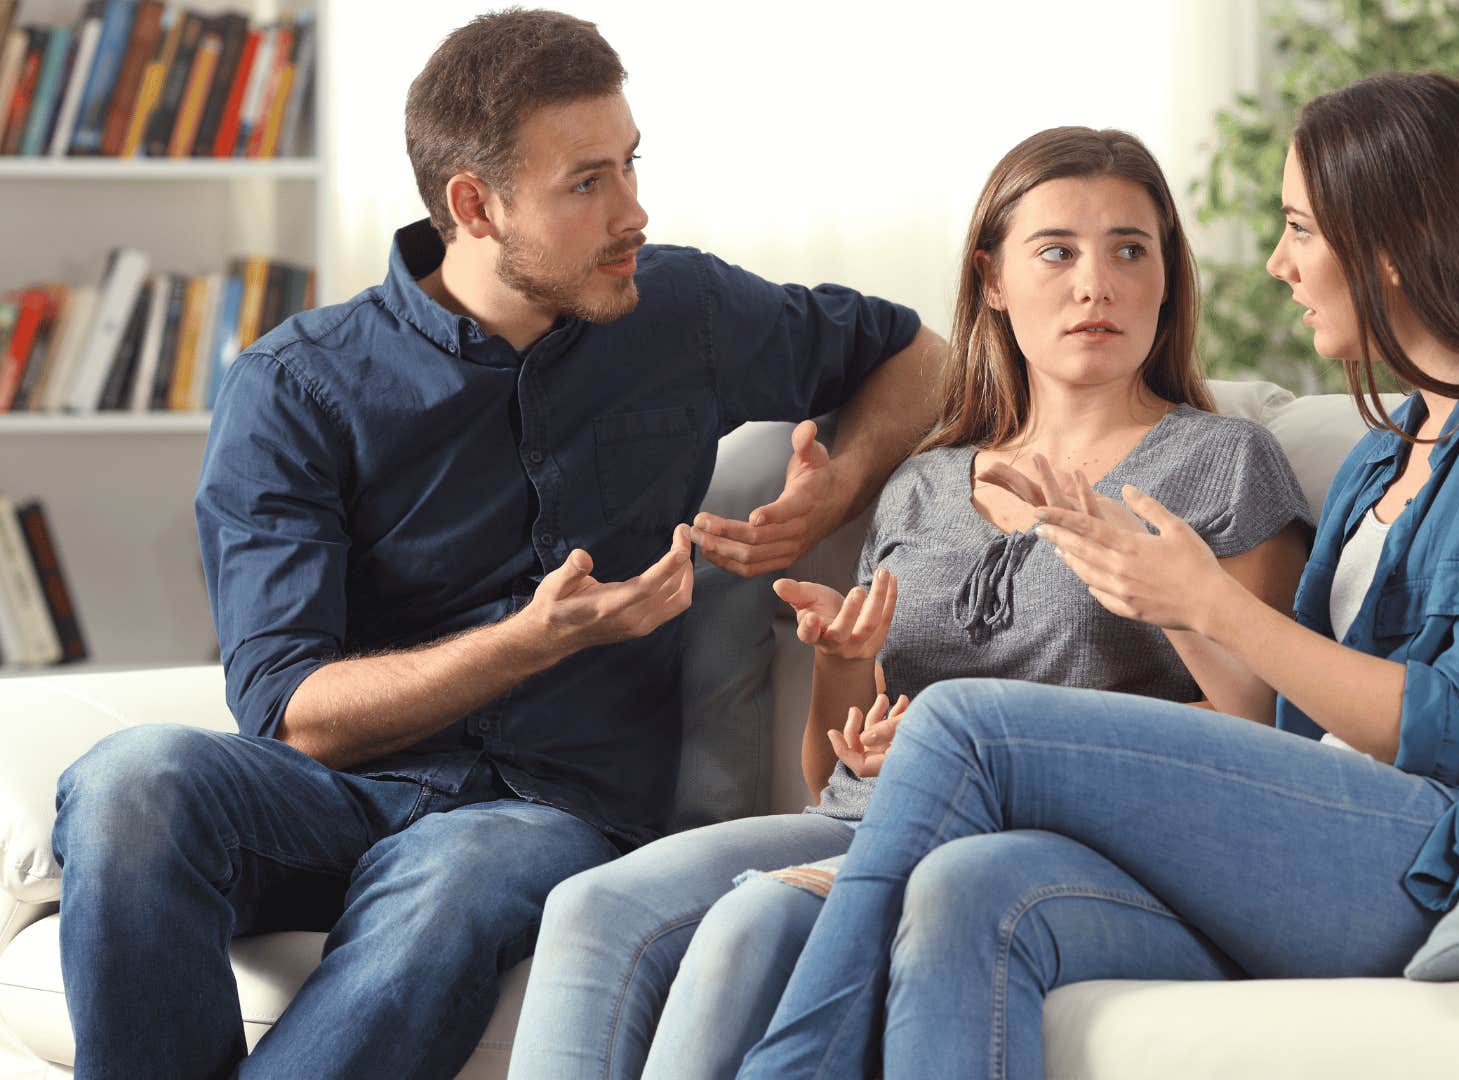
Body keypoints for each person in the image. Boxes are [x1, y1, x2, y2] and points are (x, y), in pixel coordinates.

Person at [735, 71, 1459, 1080]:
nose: (1277, 263)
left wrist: (1210, 600)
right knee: (967, 888)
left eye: (1300, 228)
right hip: (1325, 838)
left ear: (1391, 242)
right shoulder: (1388, 454)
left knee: (964, 724)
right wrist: (1154, 596)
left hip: (1458, 855)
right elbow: (1292, 725)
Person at [46, 10, 946, 1079]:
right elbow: (293, 714)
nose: (634, 211)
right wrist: (532, 639)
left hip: (546, 812)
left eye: (630, 165)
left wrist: (836, 485)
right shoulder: (296, 388)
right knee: (130, 778)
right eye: (587, 183)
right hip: (339, 799)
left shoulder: (682, 312)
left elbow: (917, 353)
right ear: (474, 205)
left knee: (458, 868)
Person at [506, 126, 1311, 1080]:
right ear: (994, 280)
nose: (1097, 283)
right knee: (593, 907)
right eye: (1057, 250)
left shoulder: (1222, 462)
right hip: (868, 818)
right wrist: (844, 667)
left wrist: (1145, 584)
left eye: (1130, 249)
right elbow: (832, 773)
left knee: (756, 920)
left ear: (1167, 277)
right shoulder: (925, 483)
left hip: (1046, 842)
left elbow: (1262, 737)